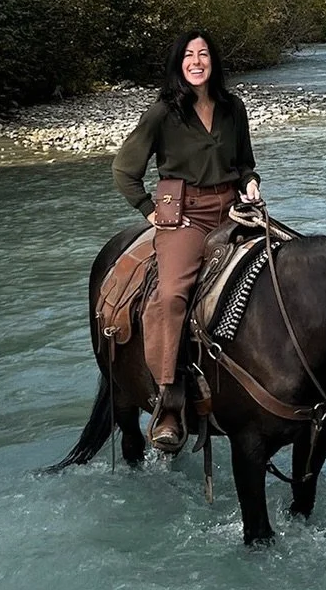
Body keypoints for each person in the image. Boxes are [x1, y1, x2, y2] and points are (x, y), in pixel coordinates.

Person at [112, 29, 262, 453]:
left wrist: (250, 184)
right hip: (186, 218)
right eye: (189, 56)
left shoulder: (234, 109)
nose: (197, 61)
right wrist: (147, 209)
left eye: (204, 54)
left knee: (292, 259)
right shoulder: (163, 112)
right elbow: (124, 170)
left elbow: (246, 164)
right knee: (172, 294)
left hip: (233, 210)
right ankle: (168, 402)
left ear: (214, 61)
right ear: (179, 64)